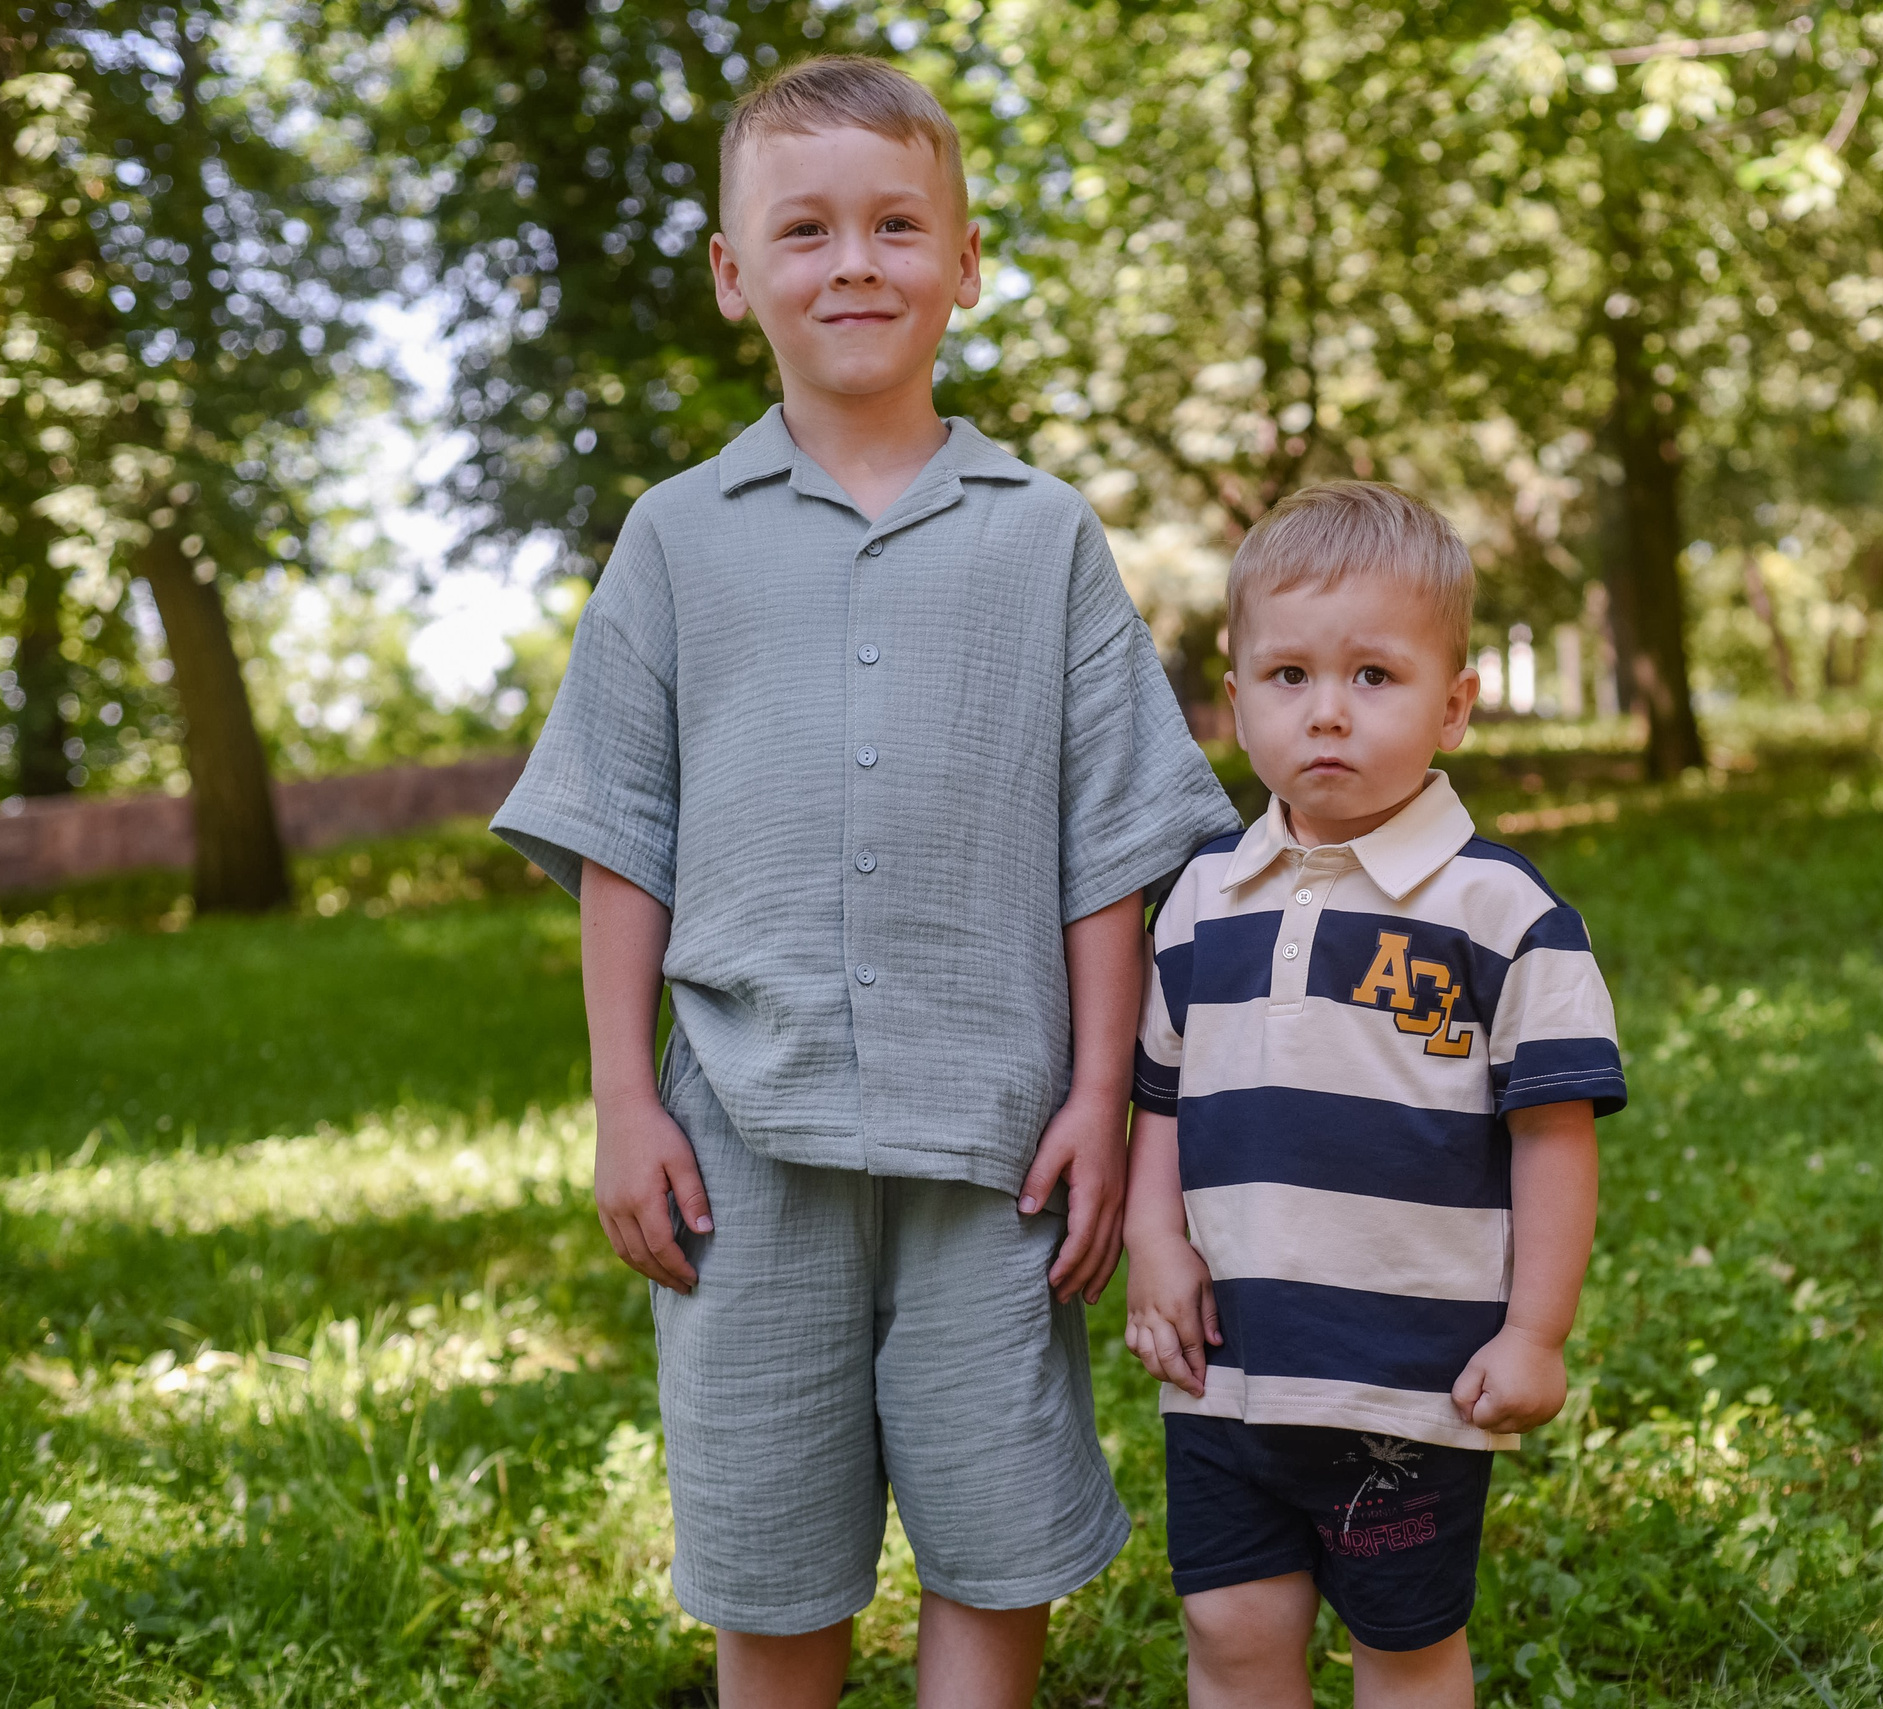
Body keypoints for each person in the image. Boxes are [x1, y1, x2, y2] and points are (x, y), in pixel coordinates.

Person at [489, 54, 1240, 1709]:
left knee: (996, 1520)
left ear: (964, 261)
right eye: (806, 228)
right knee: (770, 1534)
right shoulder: (677, 539)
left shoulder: (1042, 534)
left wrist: (1103, 1093)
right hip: (739, 1144)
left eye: (899, 225)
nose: (855, 263)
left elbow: (1109, 842)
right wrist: (626, 1097)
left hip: (1000, 1136)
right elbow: (623, 834)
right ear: (733, 270)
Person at [1122, 483, 1627, 1707]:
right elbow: (1161, 1095)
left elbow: (1553, 1135)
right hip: (1229, 1371)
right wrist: (1153, 1240)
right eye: (1287, 677)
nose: (1327, 713)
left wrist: (1536, 1331)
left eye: (1373, 677)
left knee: (1403, 1648)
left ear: (1452, 704)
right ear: (1234, 699)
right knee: (1229, 1630)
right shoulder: (1198, 899)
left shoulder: (1500, 912)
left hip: (1406, 1380)